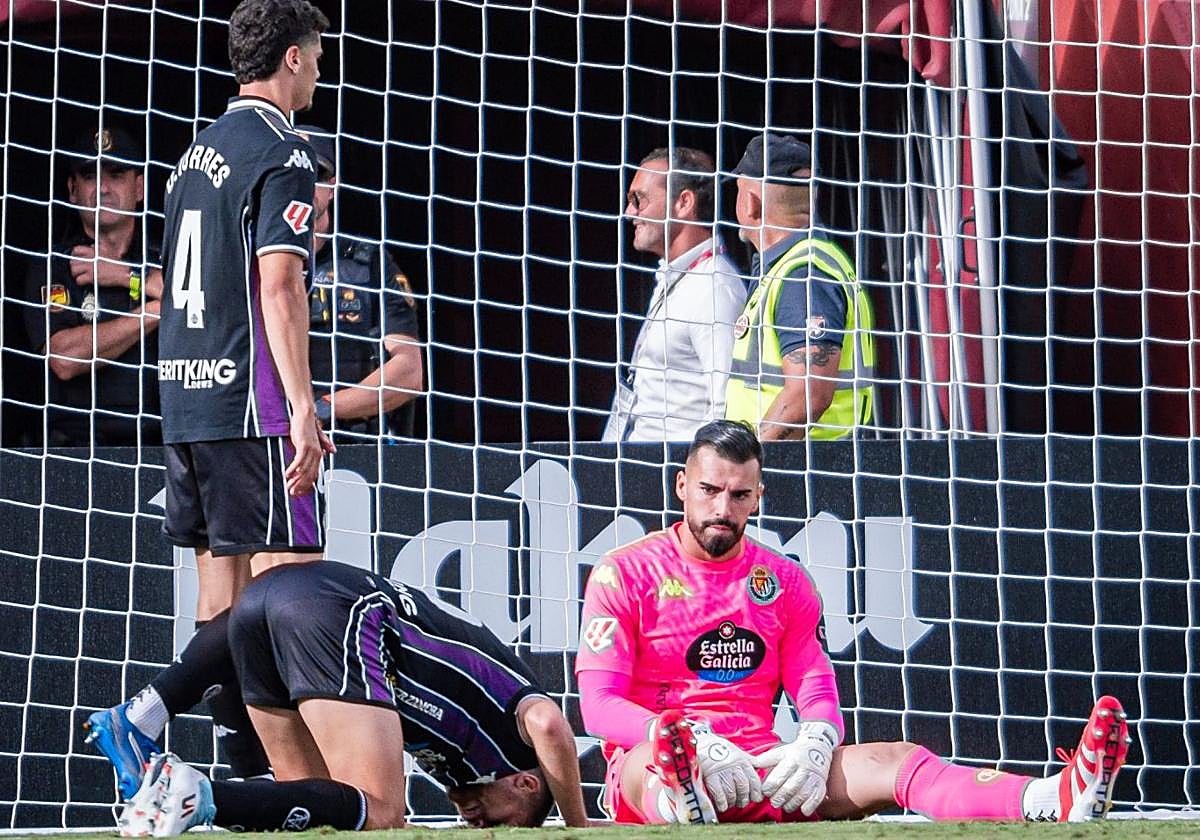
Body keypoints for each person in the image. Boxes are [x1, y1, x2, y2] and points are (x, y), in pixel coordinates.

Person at [575, 419, 1131, 824]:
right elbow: (599, 706)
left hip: (767, 766)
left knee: (898, 759)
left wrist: (817, 740)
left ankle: (1052, 798)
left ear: (759, 497)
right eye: (710, 490)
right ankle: (683, 800)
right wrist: (688, 738)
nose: (722, 508)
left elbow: (814, 686)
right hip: (659, 764)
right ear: (682, 487)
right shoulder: (624, 572)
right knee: (657, 759)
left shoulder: (785, 581)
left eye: (739, 494)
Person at [84, 0, 332, 801]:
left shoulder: (194, 156)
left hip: (186, 401)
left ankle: (246, 774)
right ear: (291, 59)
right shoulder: (283, 150)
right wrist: (300, 404)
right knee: (291, 591)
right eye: (318, 55)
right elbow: (280, 282)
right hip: (247, 404)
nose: (321, 70)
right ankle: (148, 712)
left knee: (220, 597)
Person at [115, 560, 591, 834]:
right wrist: (579, 825)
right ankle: (185, 781)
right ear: (526, 786)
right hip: (338, 610)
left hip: (259, 609)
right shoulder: (516, 736)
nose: (477, 823)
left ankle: (183, 781)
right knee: (383, 813)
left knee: (321, 816)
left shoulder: (464, 765)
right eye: (502, 824)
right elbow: (551, 725)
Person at [724, 133, 875, 440]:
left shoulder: (801, 275)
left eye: (738, 192)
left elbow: (807, 396)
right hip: (808, 465)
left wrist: (746, 465)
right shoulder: (800, 264)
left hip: (802, 473)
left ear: (750, 203)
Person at [22, 123, 162, 445]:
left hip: (158, 444)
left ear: (139, 188)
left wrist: (125, 275)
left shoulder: (164, 255)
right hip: (73, 446)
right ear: (72, 189)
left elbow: (199, 302)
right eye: (89, 176)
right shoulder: (52, 265)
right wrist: (154, 312)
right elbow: (64, 360)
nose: (102, 189)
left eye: (115, 174)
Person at [604, 147, 745, 443]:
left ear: (683, 203)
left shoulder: (715, 287)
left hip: (673, 475)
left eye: (638, 200)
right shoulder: (677, 276)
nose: (630, 212)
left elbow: (725, 404)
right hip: (640, 466)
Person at [298, 125, 424, 441]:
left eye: (313, 174)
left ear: (331, 186)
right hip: (270, 440)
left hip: (357, 444)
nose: (300, 186)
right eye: (291, 174)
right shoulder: (247, 259)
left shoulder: (367, 263)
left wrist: (322, 408)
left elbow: (409, 372)